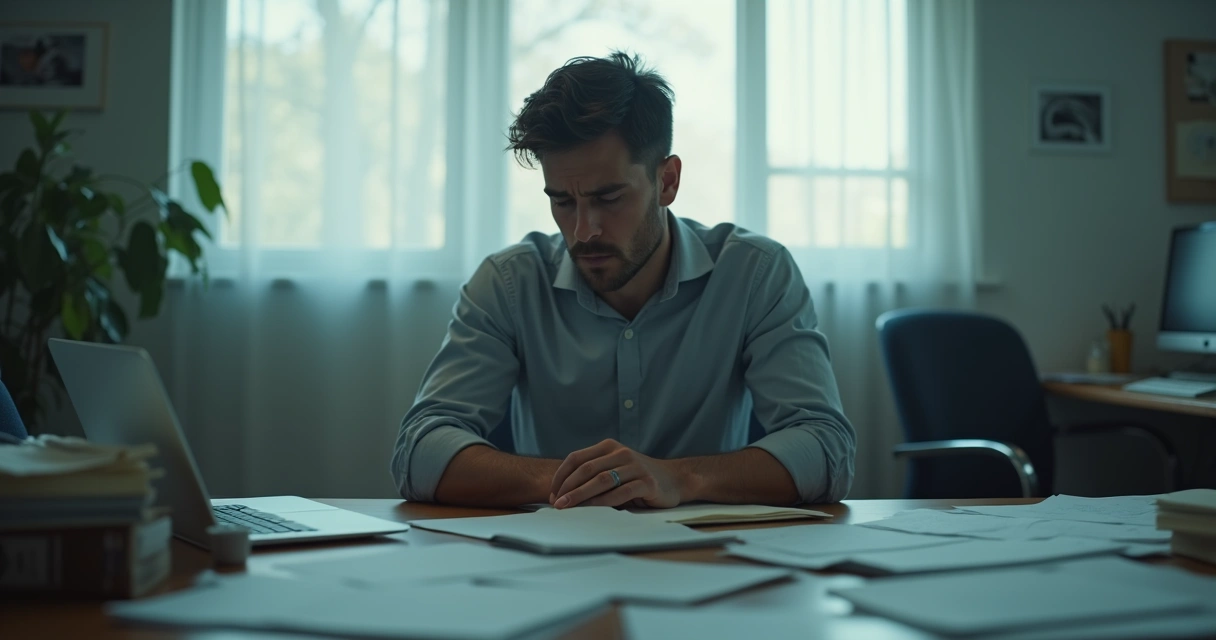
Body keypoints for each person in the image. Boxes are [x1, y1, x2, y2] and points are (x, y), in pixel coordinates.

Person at [391, 52, 854, 509]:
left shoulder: (755, 273)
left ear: (667, 182)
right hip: (553, 566)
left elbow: (826, 449)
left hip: (707, 562)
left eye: (608, 197)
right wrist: (586, 482)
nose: (583, 230)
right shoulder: (509, 283)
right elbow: (419, 451)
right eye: (562, 202)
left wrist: (677, 478)